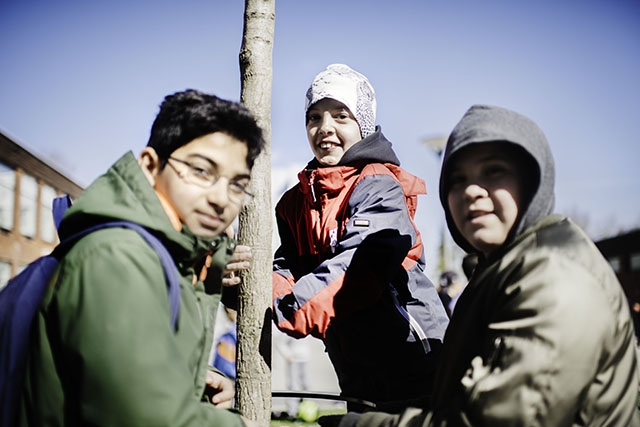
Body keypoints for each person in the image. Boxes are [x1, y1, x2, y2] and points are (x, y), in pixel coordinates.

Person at [324, 104, 640, 426]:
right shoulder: (498, 267)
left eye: (493, 171)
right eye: (457, 179)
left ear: (531, 182)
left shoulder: (556, 278)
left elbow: (505, 419)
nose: (472, 191)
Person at [17, 89, 264, 427]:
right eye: (202, 171)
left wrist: (194, 383)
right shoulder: (118, 256)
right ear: (150, 166)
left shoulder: (166, 255)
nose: (221, 198)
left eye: (238, 184)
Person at [272, 64, 449, 412]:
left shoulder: (377, 183)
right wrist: (257, 292)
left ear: (363, 126)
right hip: (355, 368)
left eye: (341, 116)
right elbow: (286, 265)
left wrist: (288, 307)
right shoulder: (294, 202)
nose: (325, 129)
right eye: (314, 117)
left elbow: (361, 265)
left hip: (413, 359)